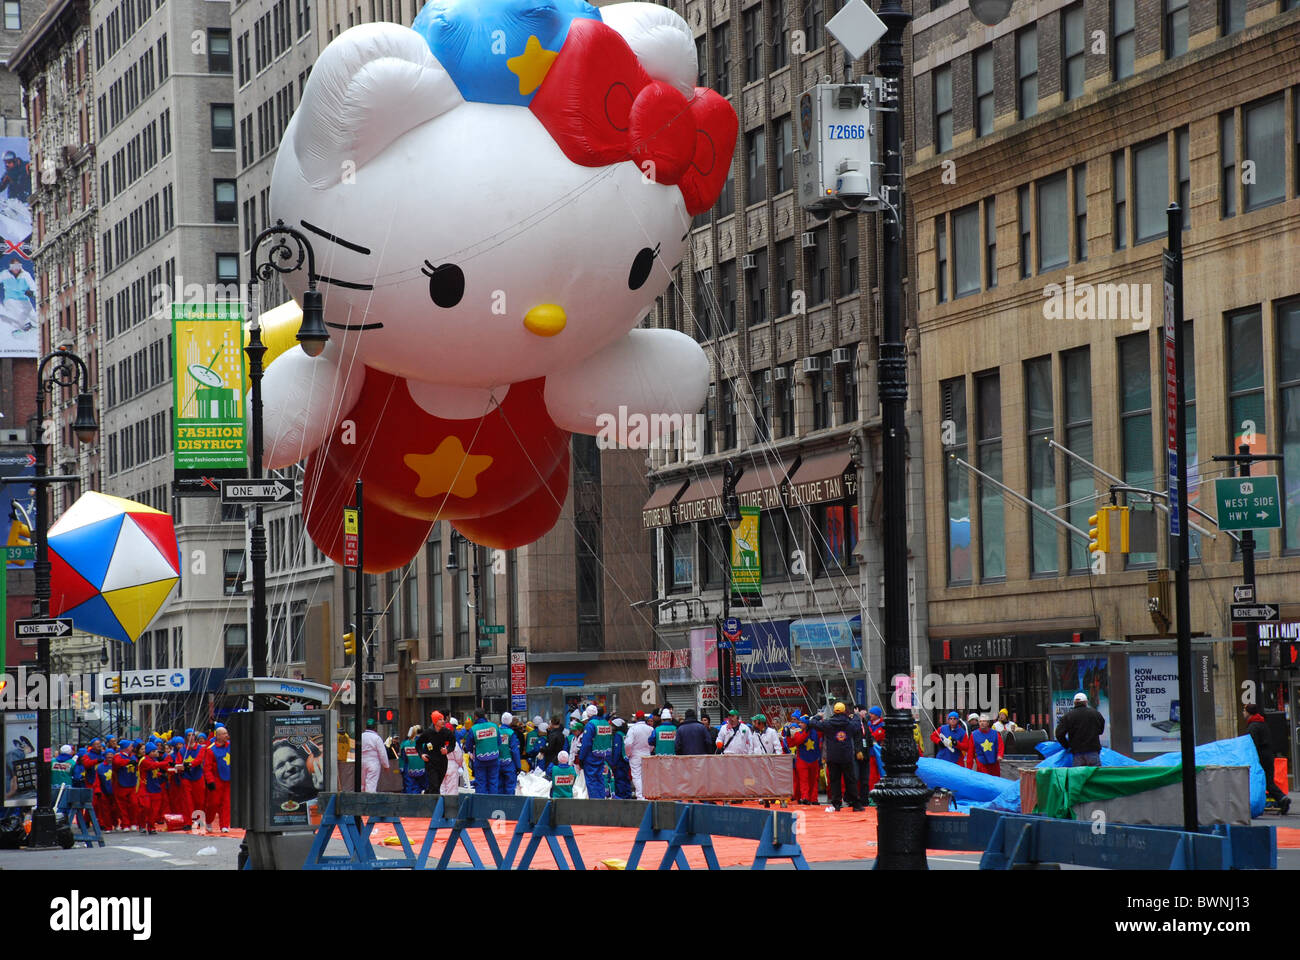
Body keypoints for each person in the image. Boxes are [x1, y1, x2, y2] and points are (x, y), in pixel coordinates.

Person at [807, 704, 862, 812]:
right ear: (844, 711)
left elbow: (812, 722)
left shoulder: (828, 724)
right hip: (846, 756)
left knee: (834, 781)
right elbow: (857, 725)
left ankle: (836, 804)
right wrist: (855, 715)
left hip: (833, 757)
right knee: (850, 780)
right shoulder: (849, 724)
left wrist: (819, 716)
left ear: (834, 711)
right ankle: (856, 804)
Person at [1244, 704, 1290, 814]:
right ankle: (1282, 799)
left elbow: (1253, 744)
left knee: (1260, 781)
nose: (1243, 713)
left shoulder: (1253, 726)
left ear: (1249, 712)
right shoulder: (1262, 723)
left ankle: (1278, 799)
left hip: (1261, 757)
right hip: (1268, 756)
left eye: (1244, 711)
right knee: (1268, 782)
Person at [1055, 692, 1105, 766]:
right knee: (1095, 775)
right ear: (1086, 702)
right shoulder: (1095, 714)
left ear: (1074, 703)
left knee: (1079, 776)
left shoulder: (1068, 716)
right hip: (1093, 751)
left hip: (1077, 753)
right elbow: (1100, 730)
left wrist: (1067, 746)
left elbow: (1059, 734)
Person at [577, 704, 614, 800]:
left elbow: (586, 744)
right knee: (600, 778)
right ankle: (602, 799)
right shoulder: (605, 723)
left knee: (592, 780)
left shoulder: (590, 724)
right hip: (603, 755)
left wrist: (581, 758)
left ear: (588, 715)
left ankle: (594, 802)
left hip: (591, 756)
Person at [271, 740, 323, 807]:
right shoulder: (273, 803)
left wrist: (322, 792)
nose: (289, 767)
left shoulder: (321, 784)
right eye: (280, 765)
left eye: (292, 759)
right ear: (274, 774)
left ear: (304, 759)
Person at [787, 714, 822, 805]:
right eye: (800, 722)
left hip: (814, 760)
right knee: (804, 780)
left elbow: (824, 728)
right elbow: (795, 742)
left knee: (814, 781)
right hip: (802, 760)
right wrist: (788, 736)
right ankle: (805, 797)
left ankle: (814, 799)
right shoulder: (799, 733)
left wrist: (817, 719)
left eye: (802, 723)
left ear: (807, 724)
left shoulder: (816, 732)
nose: (800, 724)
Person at [203, 726, 233, 831]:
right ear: (218, 736)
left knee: (227, 803)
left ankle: (224, 825)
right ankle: (208, 820)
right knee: (213, 803)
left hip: (228, 780)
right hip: (216, 780)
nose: (226, 735)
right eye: (224, 734)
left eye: (227, 733)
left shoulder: (231, 747)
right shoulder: (211, 750)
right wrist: (210, 781)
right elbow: (207, 767)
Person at [417, 712, 454, 795]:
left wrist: (447, 750)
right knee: (435, 785)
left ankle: (427, 793)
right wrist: (421, 754)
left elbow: (453, 743)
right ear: (435, 722)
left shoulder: (446, 732)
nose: (443, 721)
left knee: (436, 785)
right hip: (430, 762)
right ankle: (435, 805)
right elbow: (418, 744)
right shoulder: (427, 733)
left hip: (442, 762)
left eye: (443, 719)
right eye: (440, 720)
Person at [138, 743, 171, 835]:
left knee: (155, 809)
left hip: (155, 787)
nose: (156, 752)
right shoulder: (144, 760)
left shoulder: (153, 760)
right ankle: (142, 824)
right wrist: (167, 763)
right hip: (145, 787)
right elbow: (152, 766)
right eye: (154, 751)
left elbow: (153, 771)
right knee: (146, 807)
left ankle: (151, 827)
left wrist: (161, 775)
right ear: (149, 752)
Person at [468, 709, 501, 795]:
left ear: (475, 717)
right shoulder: (494, 726)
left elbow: (468, 746)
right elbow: (499, 743)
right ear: (485, 715)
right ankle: (493, 803)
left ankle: (481, 804)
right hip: (494, 758)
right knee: (493, 782)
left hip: (480, 760)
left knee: (481, 783)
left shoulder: (473, 729)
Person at [623, 711, 654, 798]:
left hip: (635, 755)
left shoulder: (633, 729)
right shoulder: (650, 729)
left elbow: (628, 743)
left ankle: (640, 796)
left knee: (637, 776)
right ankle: (647, 795)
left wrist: (628, 754)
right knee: (646, 776)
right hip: (647, 755)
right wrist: (649, 750)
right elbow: (652, 743)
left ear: (636, 718)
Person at [111, 741, 140, 831]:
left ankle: (133, 822)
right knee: (122, 806)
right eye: (131, 746)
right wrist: (128, 762)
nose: (132, 748)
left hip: (131, 783)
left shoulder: (132, 756)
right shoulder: (118, 756)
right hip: (121, 784)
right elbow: (117, 763)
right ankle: (125, 824)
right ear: (126, 747)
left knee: (134, 804)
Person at [360, 718, 389, 792]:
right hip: (373, 763)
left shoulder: (361, 736)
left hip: (361, 762)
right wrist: (386, 765)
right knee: (371, 784)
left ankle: (360, 801)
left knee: (362, 784)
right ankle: (369, 801)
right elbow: (382, 753)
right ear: (375, 727)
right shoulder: (376, 738)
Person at [610, 717, 635, 799]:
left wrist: (613, 763)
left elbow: (617, 750)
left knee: (620, 781)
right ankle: (628, 796)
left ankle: (621, 797)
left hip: (619, 763)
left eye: (612, 725)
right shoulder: (624, 734)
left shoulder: (617, 735)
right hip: (625, 761)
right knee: (626, 780)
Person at [497, 712, 522, 795]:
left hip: (497, 762)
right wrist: (518, 766)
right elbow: (515, 750)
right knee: (510, 786)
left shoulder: (496, 731)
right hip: (509, 763)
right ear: (511, 721)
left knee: (498, 786)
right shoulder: (511, 733)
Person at [864, 706, 886, 794]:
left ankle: (877, 792)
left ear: (877, 715)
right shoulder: (869, 724)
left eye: (872, 713)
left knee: (878, 773)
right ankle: (872, 792)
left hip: (878, 753)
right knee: (871, 774)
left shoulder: (882, 725)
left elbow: (874, 736)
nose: (870, 715)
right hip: (870, 753)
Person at [398, 725, 426, 794]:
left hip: (410, 770)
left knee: (410, 789)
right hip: (423, 771)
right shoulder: (424, 743)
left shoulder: (405, 744)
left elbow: (403, 758)